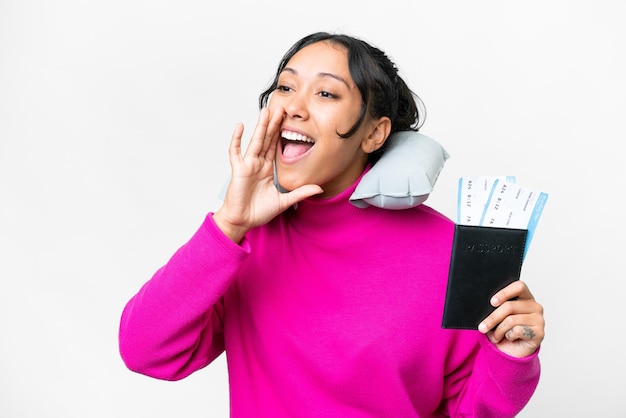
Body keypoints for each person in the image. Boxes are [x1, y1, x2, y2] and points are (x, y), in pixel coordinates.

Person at [119, 31, 544, 417]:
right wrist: (228, 224)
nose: (294, 108)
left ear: (375, 134)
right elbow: (146, 351)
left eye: (325, 93)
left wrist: (512, 359)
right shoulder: (244, 240)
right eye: (285, 87)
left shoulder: (450, 252)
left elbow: (471, 411)